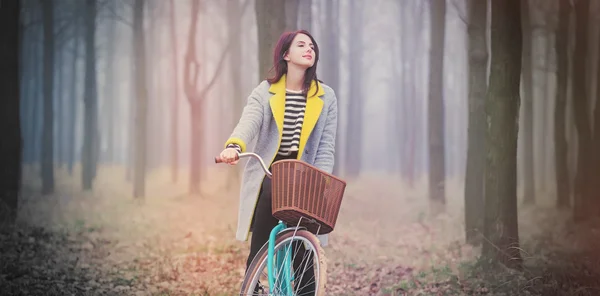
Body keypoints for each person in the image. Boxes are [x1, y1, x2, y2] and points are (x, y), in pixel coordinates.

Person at [219, 29, 338, 294]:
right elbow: (248, 122)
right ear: (286, 54)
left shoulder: (326, 96)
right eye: (301, 45)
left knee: (304, 253)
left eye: (312, 46)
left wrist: (319, 181)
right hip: (271, 174)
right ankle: (254, 284)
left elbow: (326, 147)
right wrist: (234, 146)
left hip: (306, 177)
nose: (310, 49)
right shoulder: (266, 91)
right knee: (261, 240)